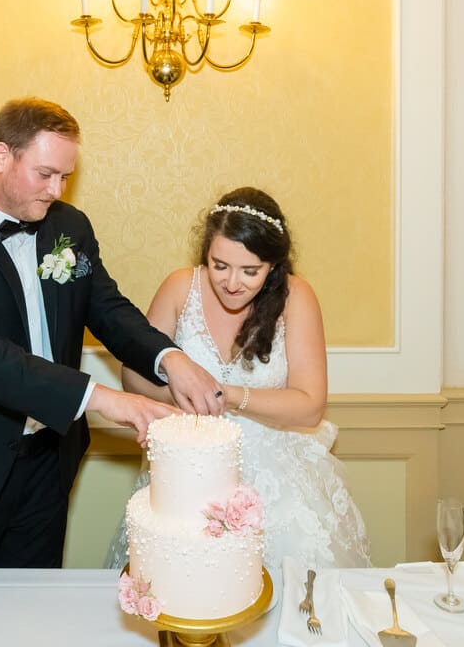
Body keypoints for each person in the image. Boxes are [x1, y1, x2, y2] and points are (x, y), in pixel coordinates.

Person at [0, 97, 225, 568]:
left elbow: (109, 310)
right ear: (2, 157)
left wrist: (171, 359)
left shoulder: (69, 227)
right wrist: (104, 398)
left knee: (34, 618)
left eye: (65, 176)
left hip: (47, 462)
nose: (57, 189)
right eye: (45, 174)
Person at [107, 187, 372, 570]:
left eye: (251, 271)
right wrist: (179, 391)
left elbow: (310, 406)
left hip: (279, 482)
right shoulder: (181, 288)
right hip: (190, 468)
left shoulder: (296, 297)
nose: (232, 282)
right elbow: (133, 375)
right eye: (220, 266)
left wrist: (228, 395)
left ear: (273, 267)